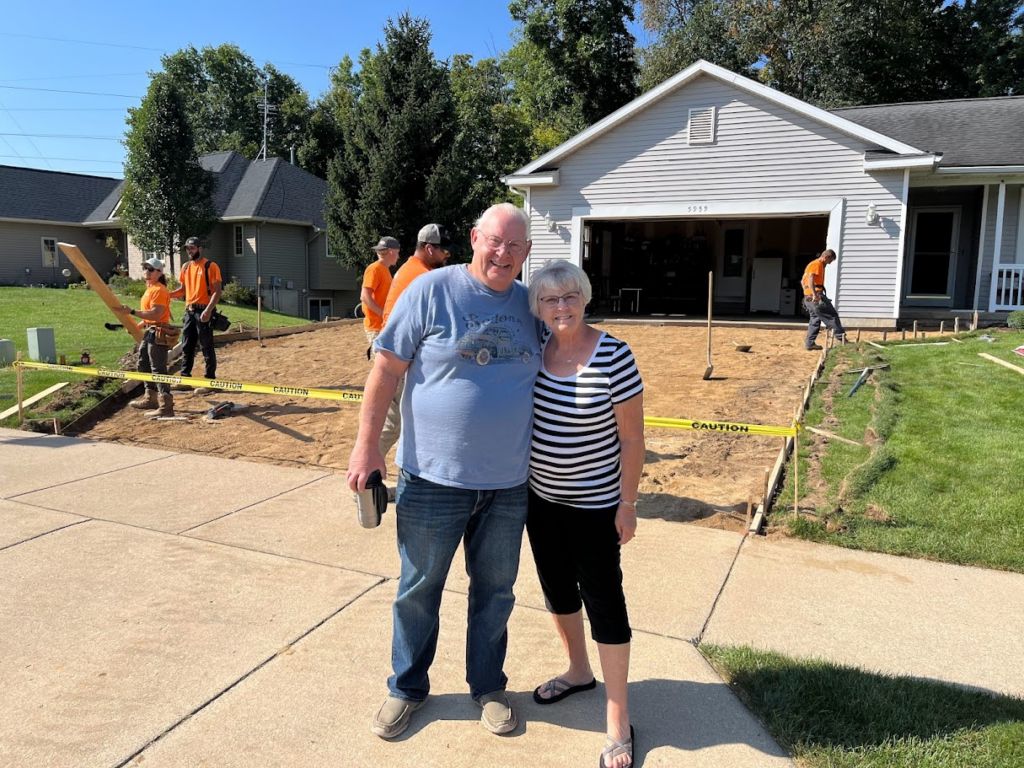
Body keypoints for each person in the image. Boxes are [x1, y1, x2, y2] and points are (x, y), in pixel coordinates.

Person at [347, 203, 541, 740]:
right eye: (494, 241)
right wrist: (367, 447)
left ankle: (488, 687)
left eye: (515, 246)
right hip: (432, 479)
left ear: (527, 252)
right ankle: (406, 687)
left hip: (507, 484)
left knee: (496, 593)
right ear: (475, 239)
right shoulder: (430, 290)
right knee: (418, 589)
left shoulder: (532, 306)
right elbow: (386, 369)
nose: (503, 253)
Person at [525, 261, 644, 768]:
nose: (561, 307)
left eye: (570, 296)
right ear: (538, 307)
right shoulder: (535, 348)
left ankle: (618, 715)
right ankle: (578, 670)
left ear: (585, 298)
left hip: (596, 506)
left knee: (604, 601)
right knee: (556, 589)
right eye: (550, 299)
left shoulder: (614, 354)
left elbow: (632, 438)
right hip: (540, 501)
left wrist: (627, 504)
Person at [376, 224, 452, 459]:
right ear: (429, 249)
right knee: (393, 425)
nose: (448, 255)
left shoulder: (410, 268)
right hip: (398, 357)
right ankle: (365, 476)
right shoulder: (424, 276)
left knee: (401, 423)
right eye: (444, 251)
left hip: (395, 353)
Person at [121, 257, 176, 418]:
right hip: (150, 331)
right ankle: (150, 398)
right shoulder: (150, 289)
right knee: (143, 365)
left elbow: (156, 314)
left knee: (158, 369)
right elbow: (149, 317)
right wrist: (136, 326)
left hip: (158, 333)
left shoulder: (159, 290)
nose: (147, 271)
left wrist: (132, 312)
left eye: (150, 269)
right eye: (145, 268)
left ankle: (166, 406)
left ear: (159, 273)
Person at [168, 236, 221, 393]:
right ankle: (185, 379)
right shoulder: (186, 267)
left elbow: (218, 291)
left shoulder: (210, 266)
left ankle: (210, 381)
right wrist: (166, 295)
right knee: (187, 346)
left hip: (204, 310)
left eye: (192, 248)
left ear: (200, 249)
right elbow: (183, 290)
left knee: (206, 346)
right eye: (187, 248)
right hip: (189, 311)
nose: (189, 251)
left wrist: (208, 310)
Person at [801, 248, 846, 350]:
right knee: (832, 315)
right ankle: (841, 339)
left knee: (815, 319)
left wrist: (807, 293)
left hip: (808, 297)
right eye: (830, 260)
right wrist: (814, 294)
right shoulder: (817, 264)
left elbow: (803, 281)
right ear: (825, 257)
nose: (829, 263)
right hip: (816, 295)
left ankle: (810, 343)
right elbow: (811, 278)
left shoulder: (811, 264)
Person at [361, 236, 400, 350]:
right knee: (382, 359)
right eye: (397, 253)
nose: (398, 256)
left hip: (382, 325)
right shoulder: (374, 269)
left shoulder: (384, 269)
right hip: (376, 327)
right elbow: (364, 296)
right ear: (391, 251)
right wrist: (384, 315)